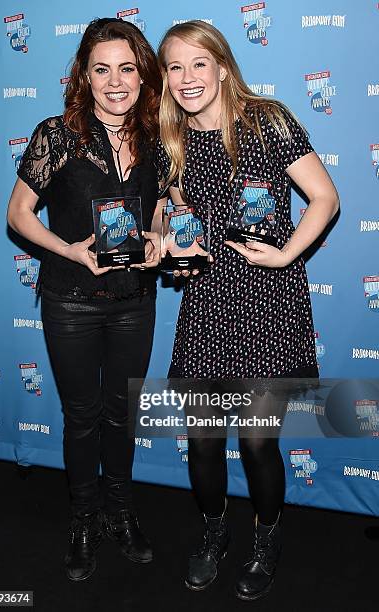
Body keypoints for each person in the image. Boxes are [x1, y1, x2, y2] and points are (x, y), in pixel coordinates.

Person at [155, 20, 339, 600]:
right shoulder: (170, 139)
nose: (186, 78)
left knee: (258, 441)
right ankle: (213, 533)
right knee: (204, 439)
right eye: (174, 67)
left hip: (269, 300)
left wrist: (285, 255)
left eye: (197, 64)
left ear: (223, 66)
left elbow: (325, 197)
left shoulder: (268, 119)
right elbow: (173, 214)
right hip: (208, 300)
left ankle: (266, 537)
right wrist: (168, 239)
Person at [7, 18, 164, 581]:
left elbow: (162, 208)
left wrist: (157, 242)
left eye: (127, 69)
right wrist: (69, 251)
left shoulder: (156, 137)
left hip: (133, 300)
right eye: (102, 69)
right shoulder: (55, 134)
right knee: (81, 418)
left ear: (144, 75)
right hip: (71, 300)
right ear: (85, 76)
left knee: (122, 417)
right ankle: (82, 519)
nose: (115, 82)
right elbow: (18, 214)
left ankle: (121, 515)